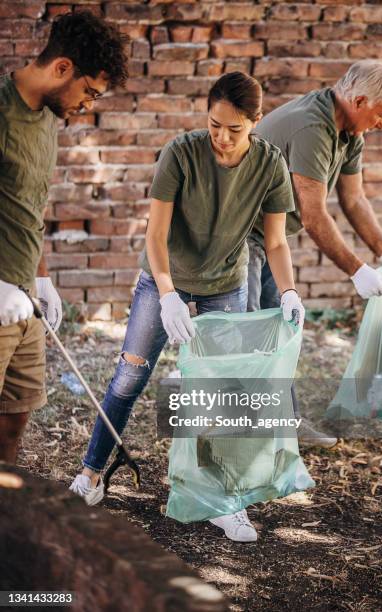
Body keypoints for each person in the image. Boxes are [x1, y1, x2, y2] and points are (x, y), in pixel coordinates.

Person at [70, 71, 305, 542]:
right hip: (164, 282)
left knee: (224, 393)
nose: (221, 137)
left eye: (234, 129)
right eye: (214, 124)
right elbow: (155, 235)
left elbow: (276, 243)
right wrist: (169, 293)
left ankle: (224, 500)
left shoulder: (270, 165)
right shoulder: (180, 153)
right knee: (129, 377)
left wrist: (288, 290)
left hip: (224, 283)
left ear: (255, 123)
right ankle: (91, 476)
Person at [247, 59, 382, 447]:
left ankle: (284, 426)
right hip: (240, 238)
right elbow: (314, 214)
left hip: (271, 239)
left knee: (280, 332)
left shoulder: (350, 131)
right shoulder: (313, 126)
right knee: (251, 335)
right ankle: (243, 440)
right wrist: (357, 270)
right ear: (360, 99)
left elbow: (353, 199)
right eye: (381, 115)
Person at [0, 11, 129, 463]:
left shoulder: (48, 120)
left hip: (21, 299)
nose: (88, 104)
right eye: (89, 92)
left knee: (15, 418)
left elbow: (29, 207)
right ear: (61, 69)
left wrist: (41, 277)